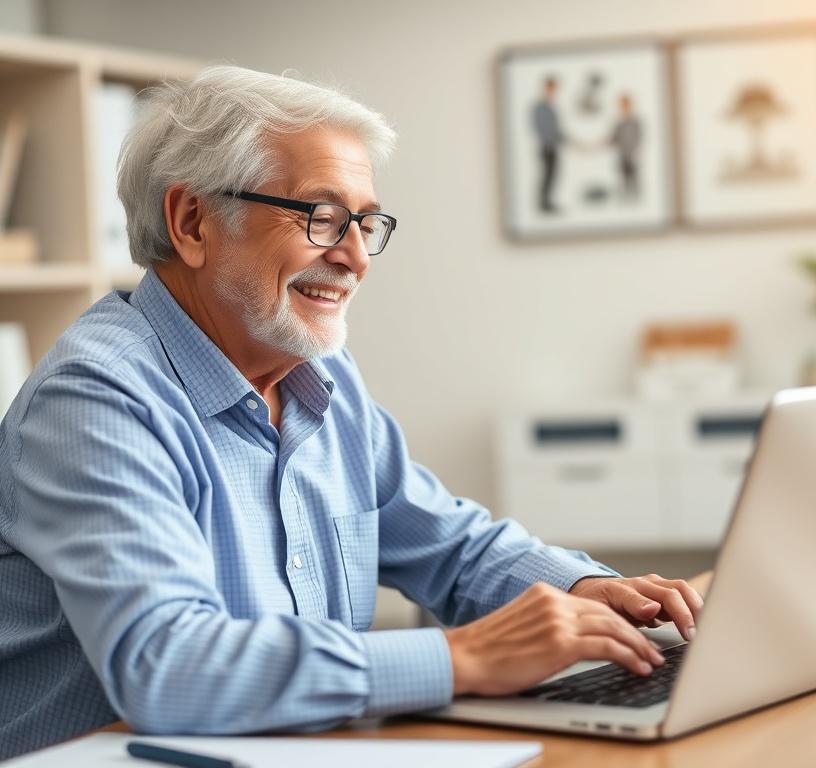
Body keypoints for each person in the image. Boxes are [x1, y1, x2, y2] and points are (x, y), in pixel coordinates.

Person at [0, 66, 703, 760]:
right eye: (323, 217)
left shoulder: (315, 370)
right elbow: (169, 664)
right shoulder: (96, 399)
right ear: (192, 221)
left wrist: (590, 592)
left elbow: (449, 547)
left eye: (367, 223)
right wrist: (462, 657)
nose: (356, 257)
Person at [531, 76, 566, 213]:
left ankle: (547, 202)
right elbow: (543, 128)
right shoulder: (541, 107)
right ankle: (544, 204)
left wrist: (566, 140)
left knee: (552, 175)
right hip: (547, 147)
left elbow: (556, 129)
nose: (554, 91)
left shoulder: (550, 106)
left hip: (553, 146)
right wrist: (552, 140)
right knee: (547, 175)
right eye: (552, 88)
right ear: (547, 87)